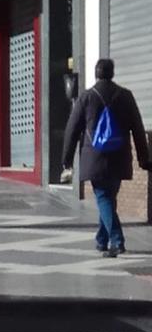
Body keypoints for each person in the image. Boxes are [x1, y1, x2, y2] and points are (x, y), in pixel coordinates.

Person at [62, 58, 150, 258]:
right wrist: (144, 158)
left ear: (96, 73)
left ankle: (117, 241)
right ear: (112, 73)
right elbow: (137, 128)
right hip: (119, 157)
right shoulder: (126, 96)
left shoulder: (86, 97)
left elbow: (72, 129)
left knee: (103, 198)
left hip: (95, 158)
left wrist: (66, 160)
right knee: (108, 198)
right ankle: (102, 240)